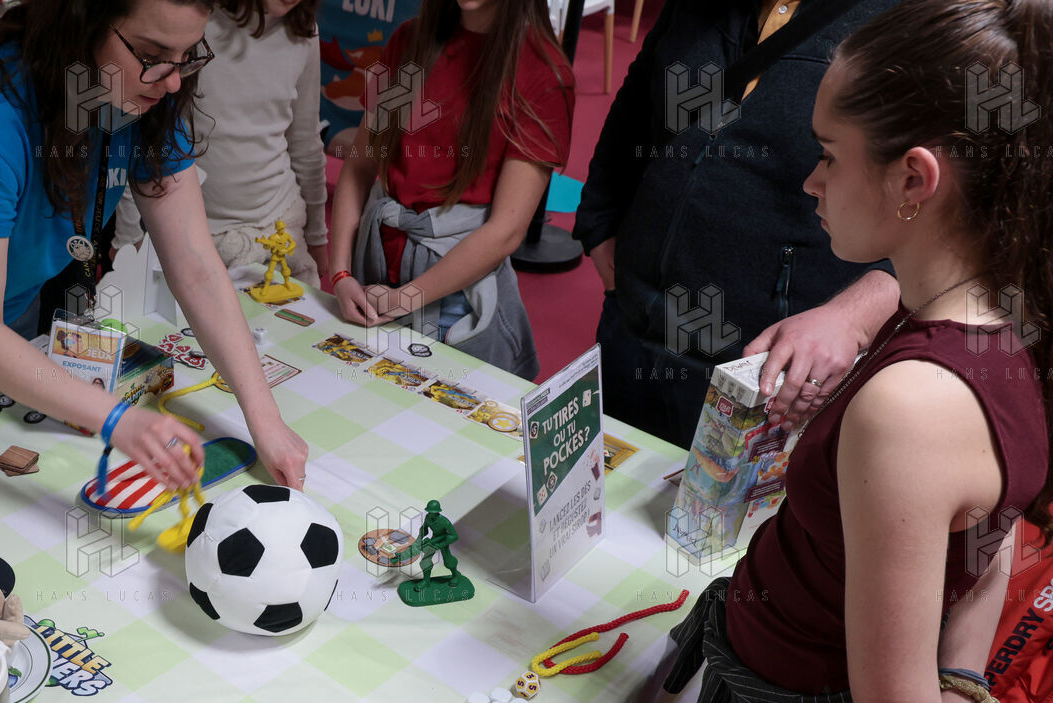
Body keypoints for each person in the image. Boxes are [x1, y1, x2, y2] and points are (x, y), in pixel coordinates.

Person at [643, 0, 1052, 703]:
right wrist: (959, 697)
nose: (811, 179)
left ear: (914, 178)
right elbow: (986, 542)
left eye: (829, 153)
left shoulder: (911, 405)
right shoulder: (994, 314)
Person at [0, 0, 308, 491]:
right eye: (153, 55)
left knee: (8, 464)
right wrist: (118, 420)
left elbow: (196, 266)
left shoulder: (148, 90)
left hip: (7, 299)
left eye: (187, 56)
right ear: (80, 28)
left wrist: (265, 419)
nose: (173, 81)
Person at [573, 0, 905, 449]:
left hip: (765, 366)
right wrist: (599, 222)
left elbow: (966, 224)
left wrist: (853, 317)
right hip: (632, 324)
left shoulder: (912, 21)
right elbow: (634, 110)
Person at [325, 0, 574, 380]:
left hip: (456, 291)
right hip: (372, 271)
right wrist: (341, 274)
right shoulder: (410, 41)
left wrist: (405, 298)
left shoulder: (542, 72)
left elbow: (506, 230)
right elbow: (360, 166)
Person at [111, 0, 327, 284]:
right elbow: (140, 136)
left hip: (281, 227)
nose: (173, 80)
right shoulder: (191, 22)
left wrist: (318, 236)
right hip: (191, 233)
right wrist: (128, 234)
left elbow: (306, 143)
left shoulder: (304, 32)